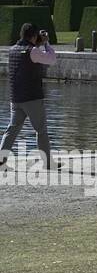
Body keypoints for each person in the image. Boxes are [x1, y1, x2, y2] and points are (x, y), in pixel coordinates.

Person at [0, 23, 58, 168]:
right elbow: (51, 59)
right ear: (33, 36)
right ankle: (48, 163)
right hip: (32, 98)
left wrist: (38, 44)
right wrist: (46, 43)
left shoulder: (12, 50)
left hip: (16, 98)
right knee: (41, 130)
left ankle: (1, 161)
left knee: (11, 130)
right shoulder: (33, 51)